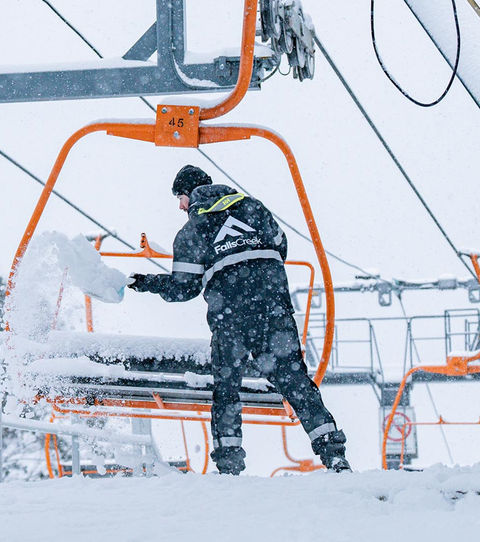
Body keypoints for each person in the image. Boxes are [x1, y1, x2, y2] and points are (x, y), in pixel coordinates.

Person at [127, 164, 350, 474]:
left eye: (180, 196)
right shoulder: (253, 206)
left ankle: (229, 466)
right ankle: (334, 455)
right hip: (274, 308)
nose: (180, 205)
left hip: (230, 316)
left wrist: (145, 282)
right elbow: (280, 245)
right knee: (294, 381)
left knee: (227, 386)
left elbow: (184, 288)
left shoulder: (192, 231)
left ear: (191, 193)